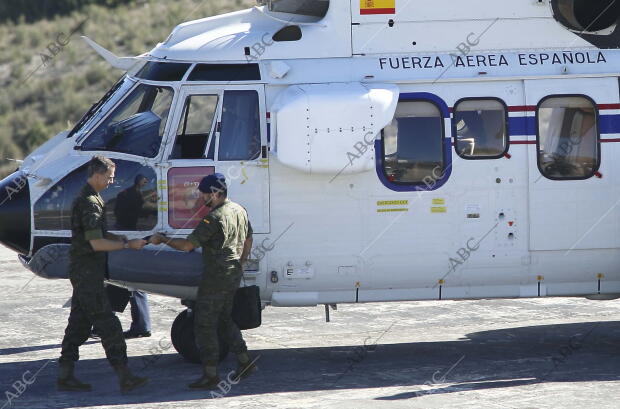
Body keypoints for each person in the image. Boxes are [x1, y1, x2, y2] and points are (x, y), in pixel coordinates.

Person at [149, 173, 255, 390]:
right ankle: (244, 361)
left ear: (215, 193)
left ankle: (211, 375)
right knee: (225, 319)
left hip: (216, 277)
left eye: (204, 194)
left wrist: (163, 239)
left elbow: (187, 246)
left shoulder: (213, 218)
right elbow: (248, 239)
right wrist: (241, 262)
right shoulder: (239, 210)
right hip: (232, 274)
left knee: (205, 324)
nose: (202, 198)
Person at [57, 155, 149, 393]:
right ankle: (125, 376)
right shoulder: (89, 202)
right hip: (87, 272)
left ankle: (65, 375)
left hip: (86, 270)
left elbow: (100, 234)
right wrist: (128, 245)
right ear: (97, 175)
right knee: (109, 325)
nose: (112, 181)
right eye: (109, 177)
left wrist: (120, 239)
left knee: (78, 324)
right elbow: (96, 243)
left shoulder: (92, 198)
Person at [114, 174, 153, 339]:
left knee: (132, 284)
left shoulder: (130, 193)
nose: (146, 182)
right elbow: (140, 212)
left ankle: (141, 325)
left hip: (130, 235)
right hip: (130, 234)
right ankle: (141, 324)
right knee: (133, 285)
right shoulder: (133, 194)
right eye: (144, 180)